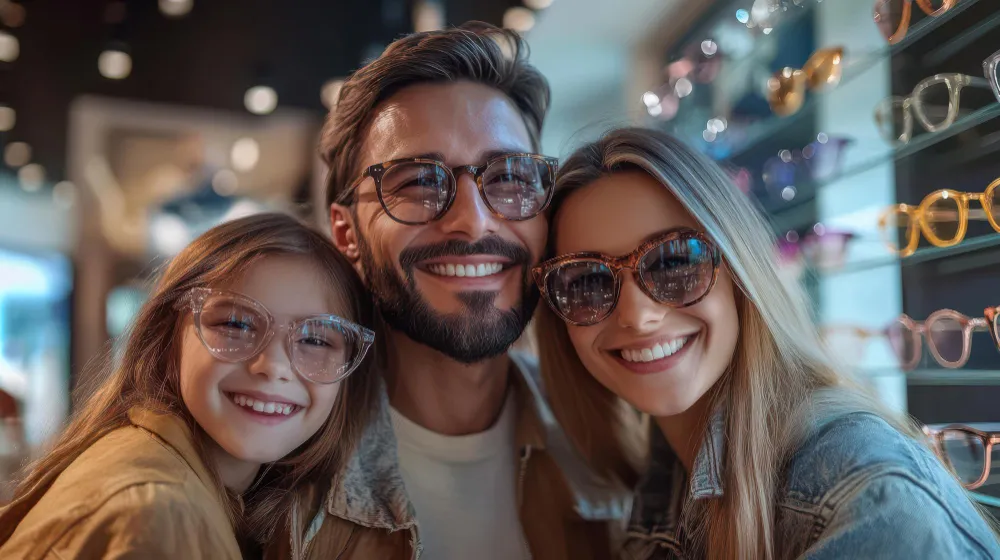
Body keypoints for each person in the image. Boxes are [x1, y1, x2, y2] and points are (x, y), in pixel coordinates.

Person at [532, 128, 1000, 559]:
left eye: (674, 262)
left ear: (739, 270)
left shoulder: (862, 493)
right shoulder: (662, 473)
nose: (637, 315)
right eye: (587, 281)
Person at [286, 21, 629, 560]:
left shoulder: (617, 436)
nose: (474, 223)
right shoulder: (278, 464)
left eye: (510, 178)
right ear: (346, 233)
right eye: (418, 181)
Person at [0, 213, 378, 559]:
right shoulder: (157, 513)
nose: (273, 367)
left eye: (316, 340)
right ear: (169, 335)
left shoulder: (191, 491)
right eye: (236, 325)